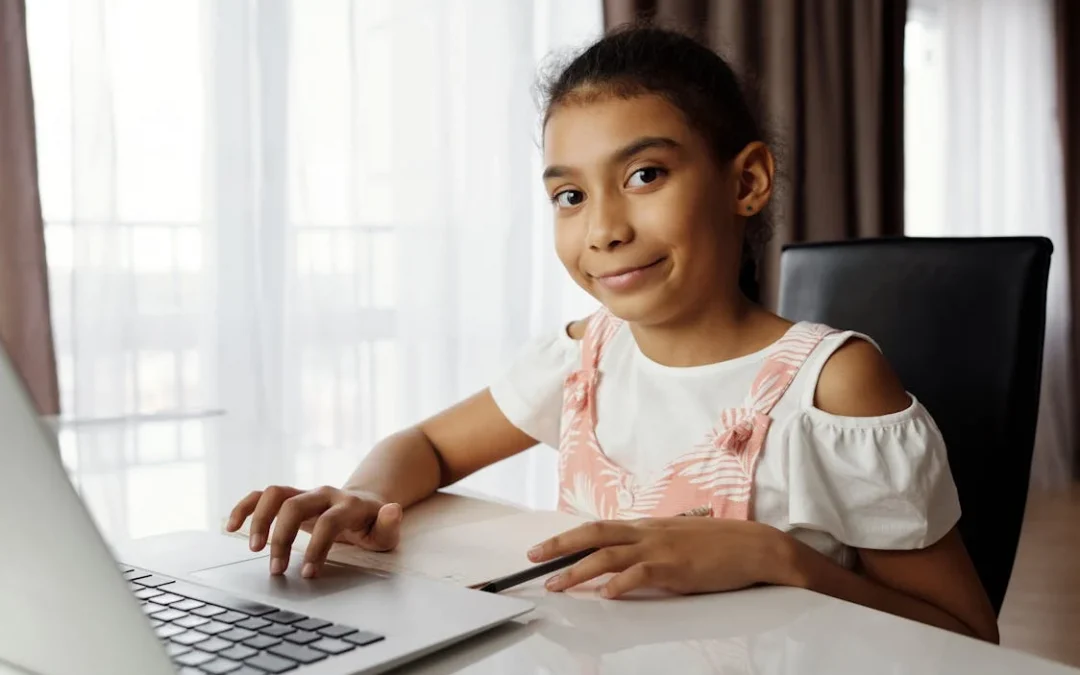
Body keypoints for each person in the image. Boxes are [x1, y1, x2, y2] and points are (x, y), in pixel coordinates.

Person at [226, 25, 999, 643]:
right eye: (569, 194)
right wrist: (365, 491)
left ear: (746, 182)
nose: (602, 229)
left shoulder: (833, 385)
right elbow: (426, 447)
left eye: (644, 176)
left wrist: (780, 557)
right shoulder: (581, 358)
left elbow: (968, 637)